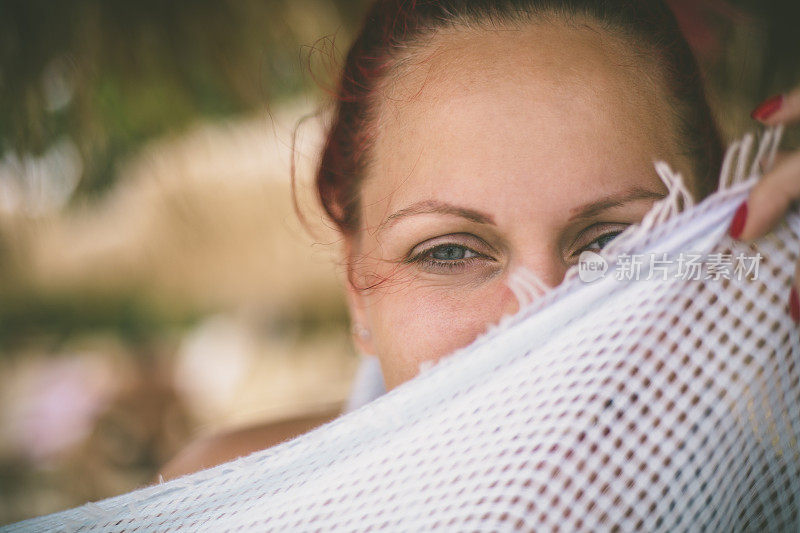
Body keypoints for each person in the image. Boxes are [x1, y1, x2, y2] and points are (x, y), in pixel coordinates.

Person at [159, 0, 800, 480]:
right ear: (358, 292)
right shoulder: (232, 500)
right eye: (448, 251)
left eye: (614, 243)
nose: (538, 322)